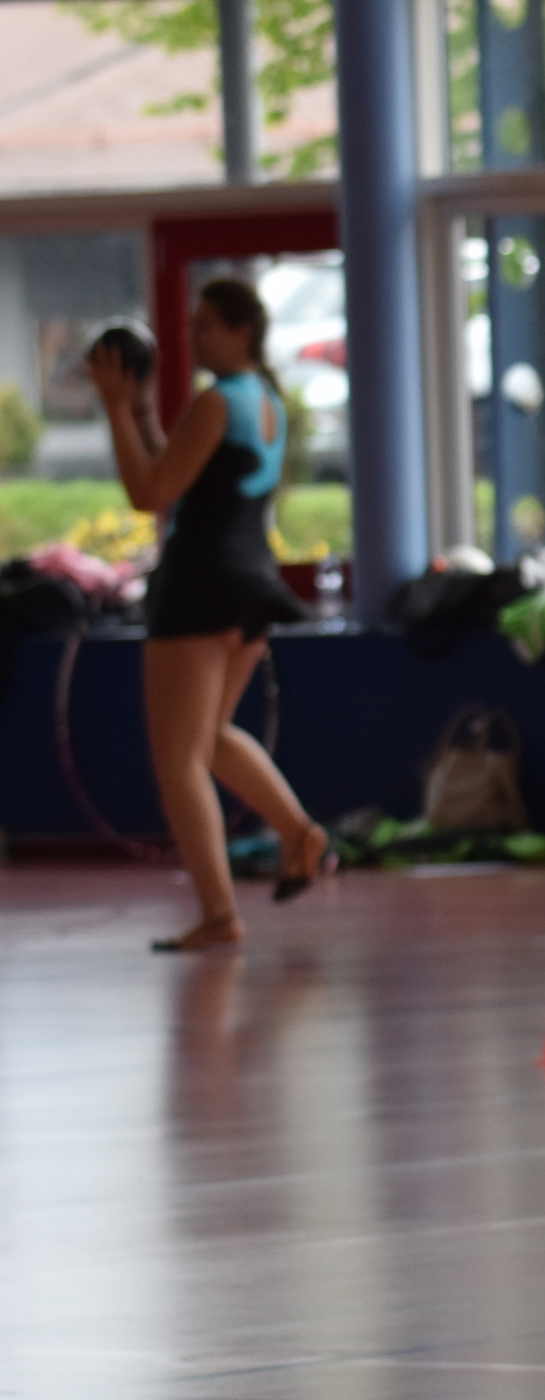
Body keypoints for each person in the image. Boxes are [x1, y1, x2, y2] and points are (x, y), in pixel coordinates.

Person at [86, 278, 332, 952]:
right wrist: (142, 414)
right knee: (213, 736)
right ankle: (301, 834)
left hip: (199, 590)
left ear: (242, 332)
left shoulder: (216, 400)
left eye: (206, 327)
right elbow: (184, 471)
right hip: (251, 586)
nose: (193, 339)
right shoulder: (265, 401)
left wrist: (114, 408)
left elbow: (150, 491)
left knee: (178, 762)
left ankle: (220, 914)